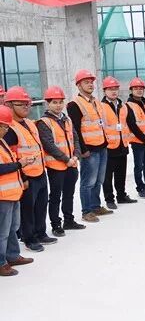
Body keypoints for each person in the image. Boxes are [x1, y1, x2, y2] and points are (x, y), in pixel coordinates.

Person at [4, 86, 56, 252]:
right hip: (26, 175)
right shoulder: (9, 129)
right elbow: (12, 156)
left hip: (40, 171)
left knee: (41, 205)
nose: (26, 107)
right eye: (21, 104)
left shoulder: (30, 123)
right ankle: (29, 238)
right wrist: (23, 178)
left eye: (28, 104)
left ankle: (41, 233)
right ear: (9, 105)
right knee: (27, 209)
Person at [37, 86, 84, 237]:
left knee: (69, 194)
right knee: (55, 196)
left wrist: (76, 156)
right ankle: (56, 224)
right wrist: (67, 159)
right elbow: (49, 145)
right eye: (54, 102)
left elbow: (75, 139)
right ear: (48, 103)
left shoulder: (67, 119)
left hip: (72, 164)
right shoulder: (44, 122)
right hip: (56, 167)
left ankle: (69, 220)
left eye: (60, 102)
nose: (58, 105)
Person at [67, 70, 110, 223]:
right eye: (86, 82)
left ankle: (95, 206)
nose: (90, 84)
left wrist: (105, 142)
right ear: (78, 85)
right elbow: (76, 130)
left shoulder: (96, 102)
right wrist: (83, 150)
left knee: (99, 180)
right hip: (89, 150)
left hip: (101, 146)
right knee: (88, 182)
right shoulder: (74, 104)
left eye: (91, 82)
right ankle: (86, 211)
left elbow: (100, 124)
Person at [0, 104, 33, 276]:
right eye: (3, 127)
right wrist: (19, 164)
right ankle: (1, 263)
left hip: (12, 193)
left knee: (13, 227)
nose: (5, 130)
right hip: (2, 196)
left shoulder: (3, 142)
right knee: (2, 232)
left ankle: (12, 256)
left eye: (6, 127)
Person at [100, 76, 135, 210]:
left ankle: (121, 195)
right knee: (108, 175)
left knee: (121, 173)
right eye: (110, 89)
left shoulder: (123, 106)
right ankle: (109, 199)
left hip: (122, 144)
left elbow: (129, 123)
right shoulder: (101, 107)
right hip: (109, 146)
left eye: (115, 89)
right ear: (105, 91)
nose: (114, 91)